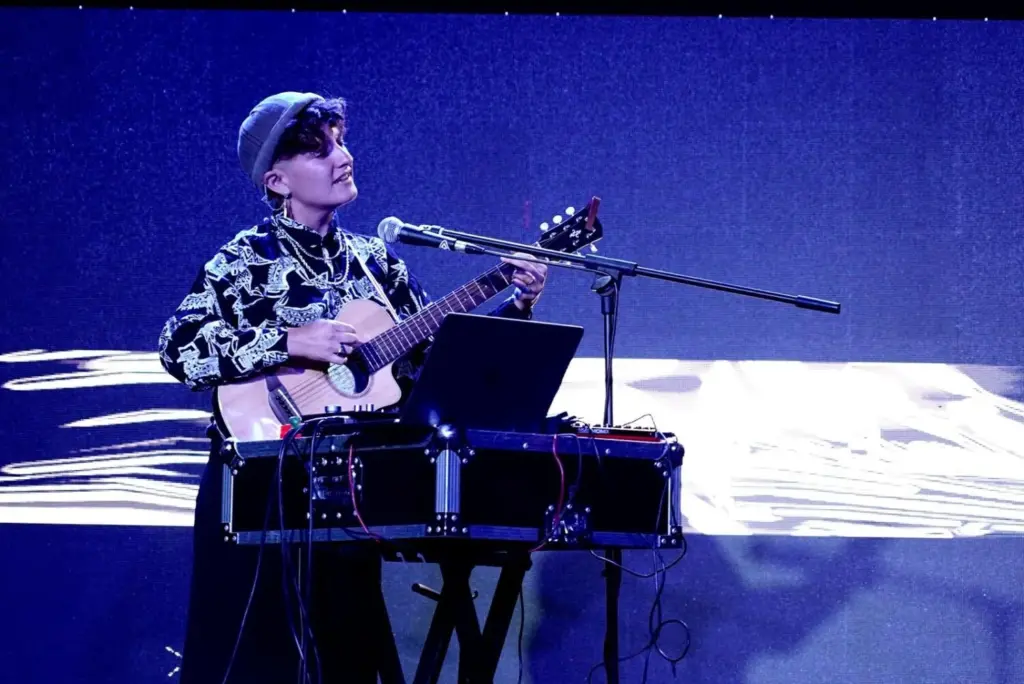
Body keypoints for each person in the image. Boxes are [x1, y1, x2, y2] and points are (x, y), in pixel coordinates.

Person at [157, 91, 547, 684]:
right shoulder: (243, 260)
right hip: (259, 486)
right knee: (246, 661)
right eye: (321, 151)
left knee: (346, 658)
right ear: (278, 180)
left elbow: (441, 368)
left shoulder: (374, 264)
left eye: (341, 141)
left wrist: (518, 304)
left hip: (349, 494)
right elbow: (177, 348)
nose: (343, 158)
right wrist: (291, 343)